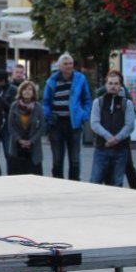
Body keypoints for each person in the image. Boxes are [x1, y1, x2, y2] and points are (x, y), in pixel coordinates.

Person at [42, 53, 93, 181]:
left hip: (74, 124)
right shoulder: (52, 81)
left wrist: (84, 115)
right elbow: (45, 102)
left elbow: (87, 99)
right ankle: (58, 185)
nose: (68, 66)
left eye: (70, 63)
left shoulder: (80, 79)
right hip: (56, 124)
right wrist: (48, 117)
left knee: (75, 160)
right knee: (57, 160)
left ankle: (74, 184)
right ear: (59, 66)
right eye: (65, 64)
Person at [89, 71, 135, 186]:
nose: (113, 86)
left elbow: (130, 125)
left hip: (121, 150)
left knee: (117, 184)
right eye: (110, 83)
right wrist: (109, 137)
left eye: (116, 83)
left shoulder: (127, 103)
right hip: (101, 149)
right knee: (95, 182)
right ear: (106, 85)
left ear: (120, 86)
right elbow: (94, 123)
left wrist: (117, 139)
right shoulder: (98, 102)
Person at [6, 81, 46, 176]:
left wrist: (31, 141)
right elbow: (10, 125)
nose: (27, 91)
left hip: (33, 146)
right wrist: (19, 140)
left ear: (33, 92)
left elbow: (42, 127)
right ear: (20, 91)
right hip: (17, 145)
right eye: (24, 89)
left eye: (29, 89)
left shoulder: (38, 107)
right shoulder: (14, 106)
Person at [0, 69, 17, 164]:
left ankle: (11, 174)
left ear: (2, 80)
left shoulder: (13, 90)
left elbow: (13, 108)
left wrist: (0, 99)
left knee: (9, 153)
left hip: (7, 126)